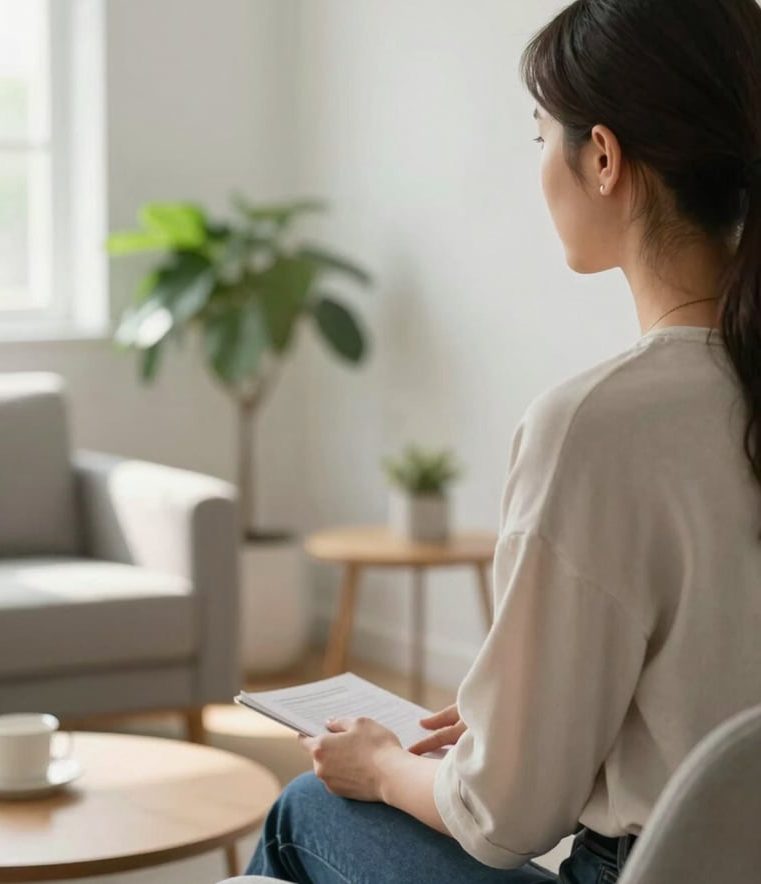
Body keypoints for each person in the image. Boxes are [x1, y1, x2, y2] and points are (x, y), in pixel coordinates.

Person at [246, 0, 761, 880]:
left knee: (306, 807)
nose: (539, 170)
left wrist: (382, 765)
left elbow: (506, 815)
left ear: (602, 157)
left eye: (539, 138)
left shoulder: (597, 425)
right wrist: (510, 718)